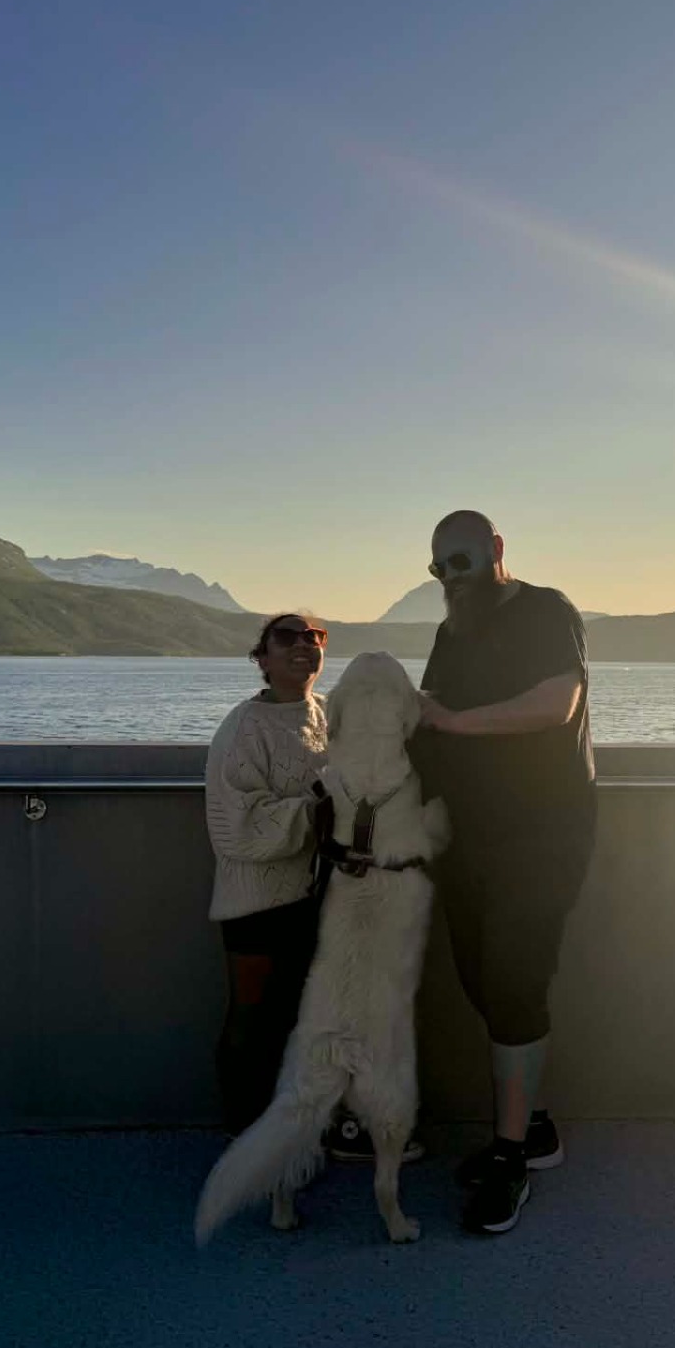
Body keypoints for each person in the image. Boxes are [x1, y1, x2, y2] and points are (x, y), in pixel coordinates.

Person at [412, 511, 597, 1235]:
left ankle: (510, 1156)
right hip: (468, 840)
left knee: (516, 980)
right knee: (481, 980)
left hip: (541, 837)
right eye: (440, 568)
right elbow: (426, 717)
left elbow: (557, 705)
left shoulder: (548, 611)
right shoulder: (450, 632)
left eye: (461, 560)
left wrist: (455, 722)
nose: (452, 578)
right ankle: (535, 1124)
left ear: (495, 549)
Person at [204, 612, 419, 1164]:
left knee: (319, 1019)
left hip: (322, 898)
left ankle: (321, 1127)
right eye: (287, 637)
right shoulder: (243, 728)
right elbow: (236, 827)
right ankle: (245, 1134)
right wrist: (319, 803)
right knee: (253, 1017)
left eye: (314, 637)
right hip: (257, 902)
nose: (304, 645)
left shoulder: (329, 715)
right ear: (262, 657)